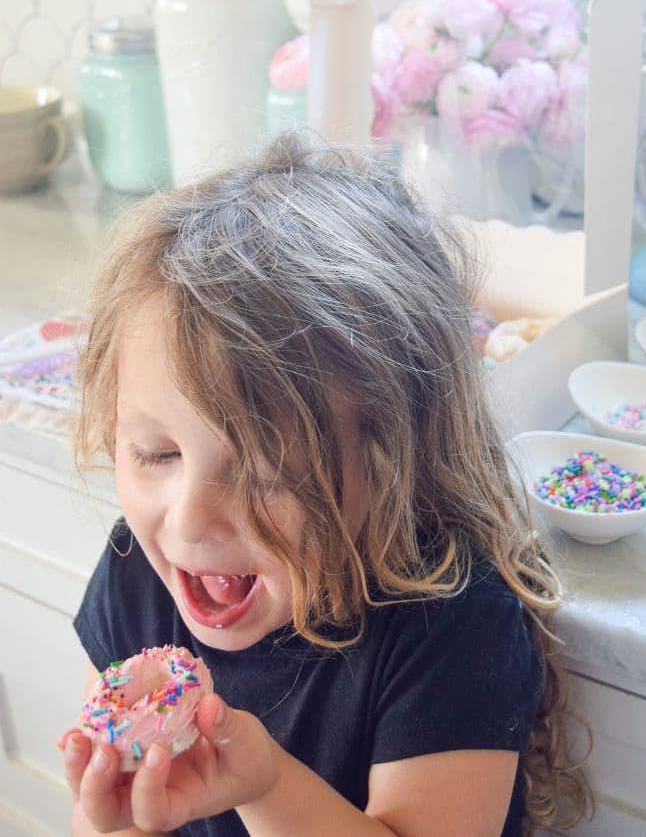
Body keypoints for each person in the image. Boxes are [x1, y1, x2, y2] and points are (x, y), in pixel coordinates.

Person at [59, 135, 589, 836]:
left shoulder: (450, 627)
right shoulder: (139, 579)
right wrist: (118, 819)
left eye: (266, 471)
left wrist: (265, 785)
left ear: (399, 460)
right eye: (156, 453)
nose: (187, 521)